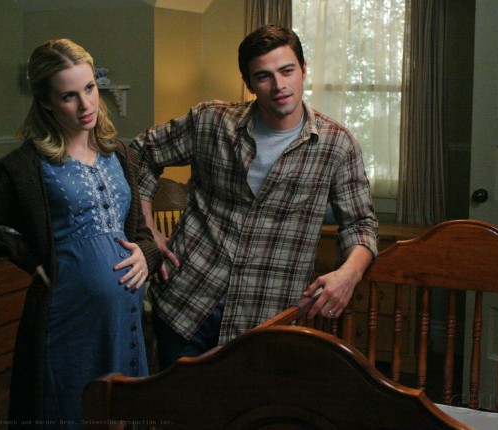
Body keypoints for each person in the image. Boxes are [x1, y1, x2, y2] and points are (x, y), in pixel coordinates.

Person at [0, 39, 162, 429]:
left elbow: (141, 233)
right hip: (66, 317)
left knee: (120, 410)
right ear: (46, 102)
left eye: (90, 88)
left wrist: (145, 254)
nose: (86, 104)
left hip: (122, 318)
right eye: (69, 96)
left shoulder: (120, 154)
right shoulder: (27, 166)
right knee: (68, 411)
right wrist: (25, 254)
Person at [131, 24, 379, 370]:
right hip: (186, 302)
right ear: (248, 83)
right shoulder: (211, 122)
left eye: (287, 71)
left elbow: (360, 223)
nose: (279, 86)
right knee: (179, 403)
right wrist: (146, 229)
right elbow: (139, 154)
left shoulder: (337, 145)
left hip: (266, 319)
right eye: (264, 76)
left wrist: (349, 274)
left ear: (303, 69)